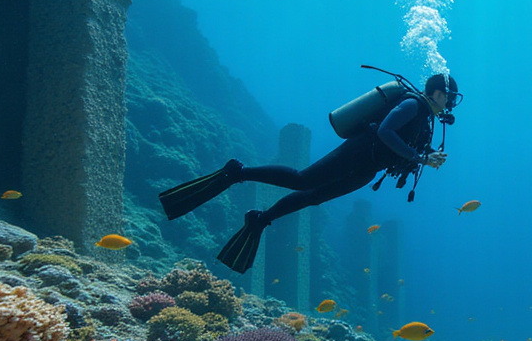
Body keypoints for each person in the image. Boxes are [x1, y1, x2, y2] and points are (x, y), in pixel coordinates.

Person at [159, 73, 460, 273]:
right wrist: (421, 158)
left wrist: (426, 154)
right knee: (303, 180)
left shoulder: (425, 118)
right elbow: (385, 131)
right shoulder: (413, 104)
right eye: (451, 97)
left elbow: (406, 144)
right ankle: (238, 172)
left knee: (314, 196)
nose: (451, 103)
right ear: (438, 93)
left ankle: (261, 219)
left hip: (367, 169)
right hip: (358, 153)